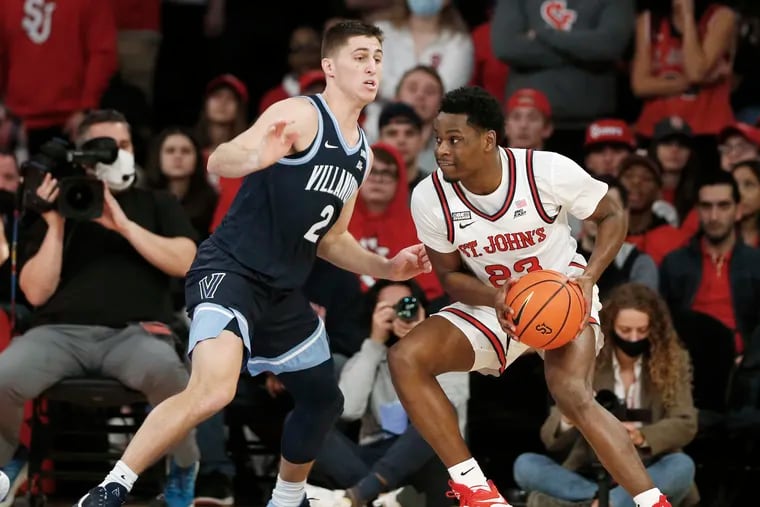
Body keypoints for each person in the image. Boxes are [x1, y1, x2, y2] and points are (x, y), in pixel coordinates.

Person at [75, 20, 431, 507]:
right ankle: (111, 487)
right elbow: (219, 158)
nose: (372, 66)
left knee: (324, 399)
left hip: (282, 290)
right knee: (214, 389)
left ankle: (285, 500)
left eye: (377, 57)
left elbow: (332, 239)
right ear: (330, 66)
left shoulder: (361, 155)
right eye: (361, 56)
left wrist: (388, 269)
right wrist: (255, 155)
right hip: (231, 270)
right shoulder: (301, 114)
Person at [390, 86, 674, 507]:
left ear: (488, 140)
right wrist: (493, 296)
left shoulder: (546, 171)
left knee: (572, 394)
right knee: (406, 358)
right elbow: (449, 276)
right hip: (497, 302)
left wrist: (590, 277)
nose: (442, 150)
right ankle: (475, 487)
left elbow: (613, 214)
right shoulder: (429, 196)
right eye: (437, 139)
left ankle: (652, 502)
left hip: (561, 293)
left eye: (454, 139)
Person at [513, 283, 698, 507]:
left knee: (682, 466)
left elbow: (686, 423)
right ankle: (609, 502)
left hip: (650, 467)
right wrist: (570, 416)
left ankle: (596, 503)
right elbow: (550, 439)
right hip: (591, 468)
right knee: (526, 466)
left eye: (641, 331)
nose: (632, 338)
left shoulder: (671, 362)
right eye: (625, 331)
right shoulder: (590, 360)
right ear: (611, 327)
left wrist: (641, 436)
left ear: (654, 329)